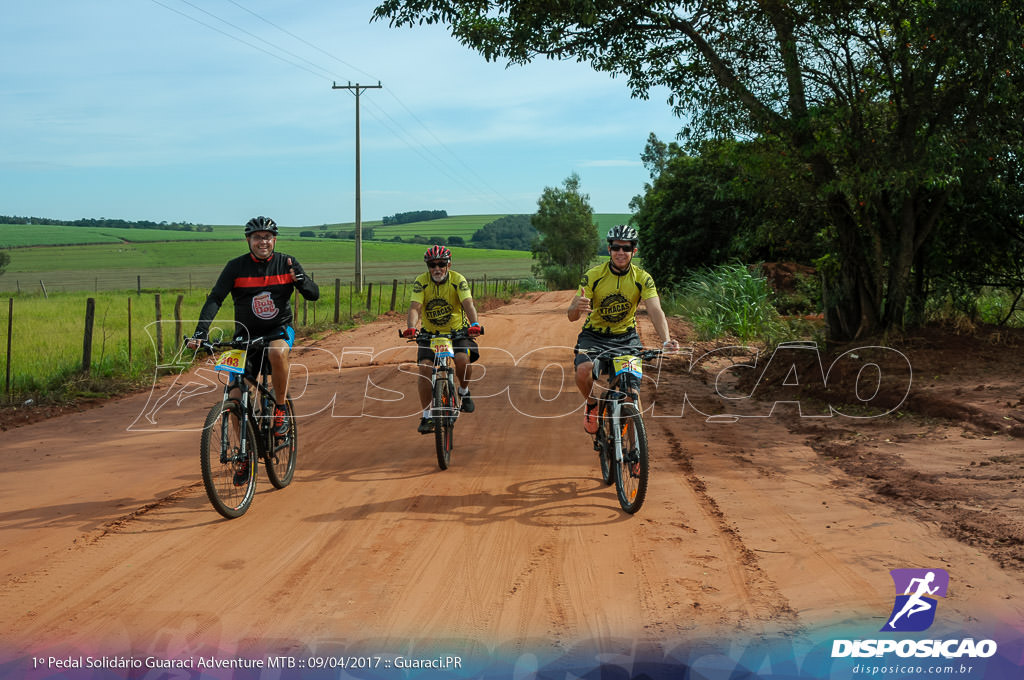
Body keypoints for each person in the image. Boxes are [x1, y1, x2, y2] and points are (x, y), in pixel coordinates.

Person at [187, 216, 320, 451]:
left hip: (278, 330)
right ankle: (244, 453)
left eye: (267, 237)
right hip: (244, 337)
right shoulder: (235, 267)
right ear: (248, 240)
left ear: (274, 240)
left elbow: (313, 294)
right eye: (257, 237)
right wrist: (200, 332)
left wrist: (300, 281)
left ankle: (280, 410)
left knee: (277, 352)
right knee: (236, 395)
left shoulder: (286, 263)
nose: (263, 242)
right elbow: (216, 298)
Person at [567, 224, 679, 434]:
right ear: (609, 249)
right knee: (583, 370)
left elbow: (655, 310)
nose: (621, 252)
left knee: (631, 395)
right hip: (594, 336)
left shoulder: (642, 278)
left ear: (633, 251)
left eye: (626, 248)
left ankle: (636, 449)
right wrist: (576, 307)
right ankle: (591, 405)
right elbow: (572, 316)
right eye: (616, 247)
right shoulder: (593, 275)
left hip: (626, 339)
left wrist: (666, 339)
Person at [402, 245, 482, 434]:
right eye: (432, 265)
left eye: (441, 264)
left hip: (457, 331)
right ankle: (427, 416)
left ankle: (463, 391)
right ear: (427, 266)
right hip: (430, 333)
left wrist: (474, 324)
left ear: (448, 264)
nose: (436, 268)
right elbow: (415, 307)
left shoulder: (458, 280)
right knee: (424, 368)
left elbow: (468, 304)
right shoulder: (421, 282)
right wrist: (412, 328)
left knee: (462, 360)